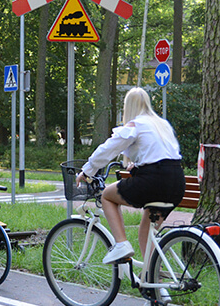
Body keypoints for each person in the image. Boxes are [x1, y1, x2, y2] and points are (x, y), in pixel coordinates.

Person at [76, 87, 185, 266]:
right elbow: (161, 154)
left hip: (154, 182)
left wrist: (87, 170)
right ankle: (154, 280)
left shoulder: (135, 124)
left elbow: (108, 149)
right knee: (146, 231)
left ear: (129, 107)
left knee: (107, 196)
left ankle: (121, 244)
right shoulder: (162, 124)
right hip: (176, 182)